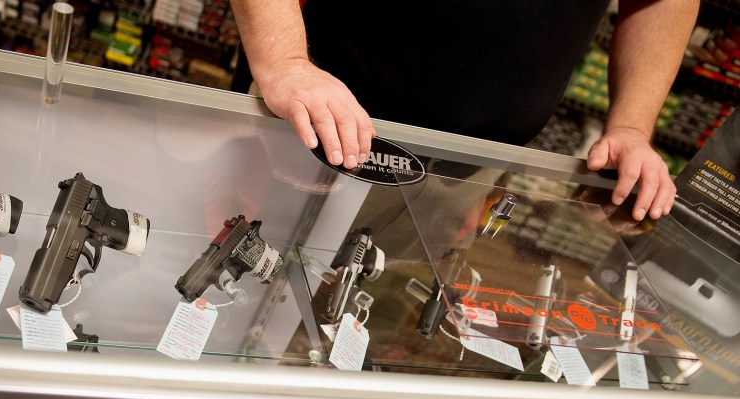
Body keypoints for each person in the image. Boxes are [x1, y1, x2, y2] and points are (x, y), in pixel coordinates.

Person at [231, 0, 699, 222]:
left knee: (380, 329)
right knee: (226, 288)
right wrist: (285, 61)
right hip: (314, 130)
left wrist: (632, 125)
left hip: (471, 172)